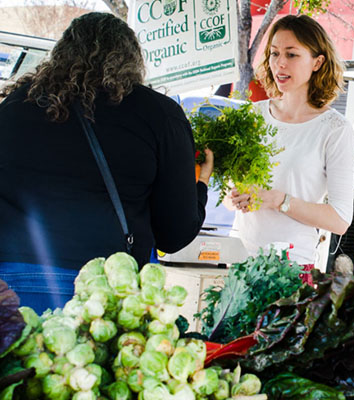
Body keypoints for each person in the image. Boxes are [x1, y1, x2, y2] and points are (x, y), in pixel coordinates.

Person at [0, 12, 213, 313]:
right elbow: (174, 233)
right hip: (103, 294)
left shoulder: (13, 108)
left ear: (60, 52)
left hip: (10, 287)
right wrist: (200, 184)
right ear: (132, 59)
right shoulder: (158, 114)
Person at [227, 14, 354, 283]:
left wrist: (279, 200)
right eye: (274, 53)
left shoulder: (334, 129)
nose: (280, 63)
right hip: (239, 262)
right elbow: (228, 197)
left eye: (292, 54)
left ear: (318, 62)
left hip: (291, 271)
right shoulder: (253, 116)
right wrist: (235, 196)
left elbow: (341, 219)